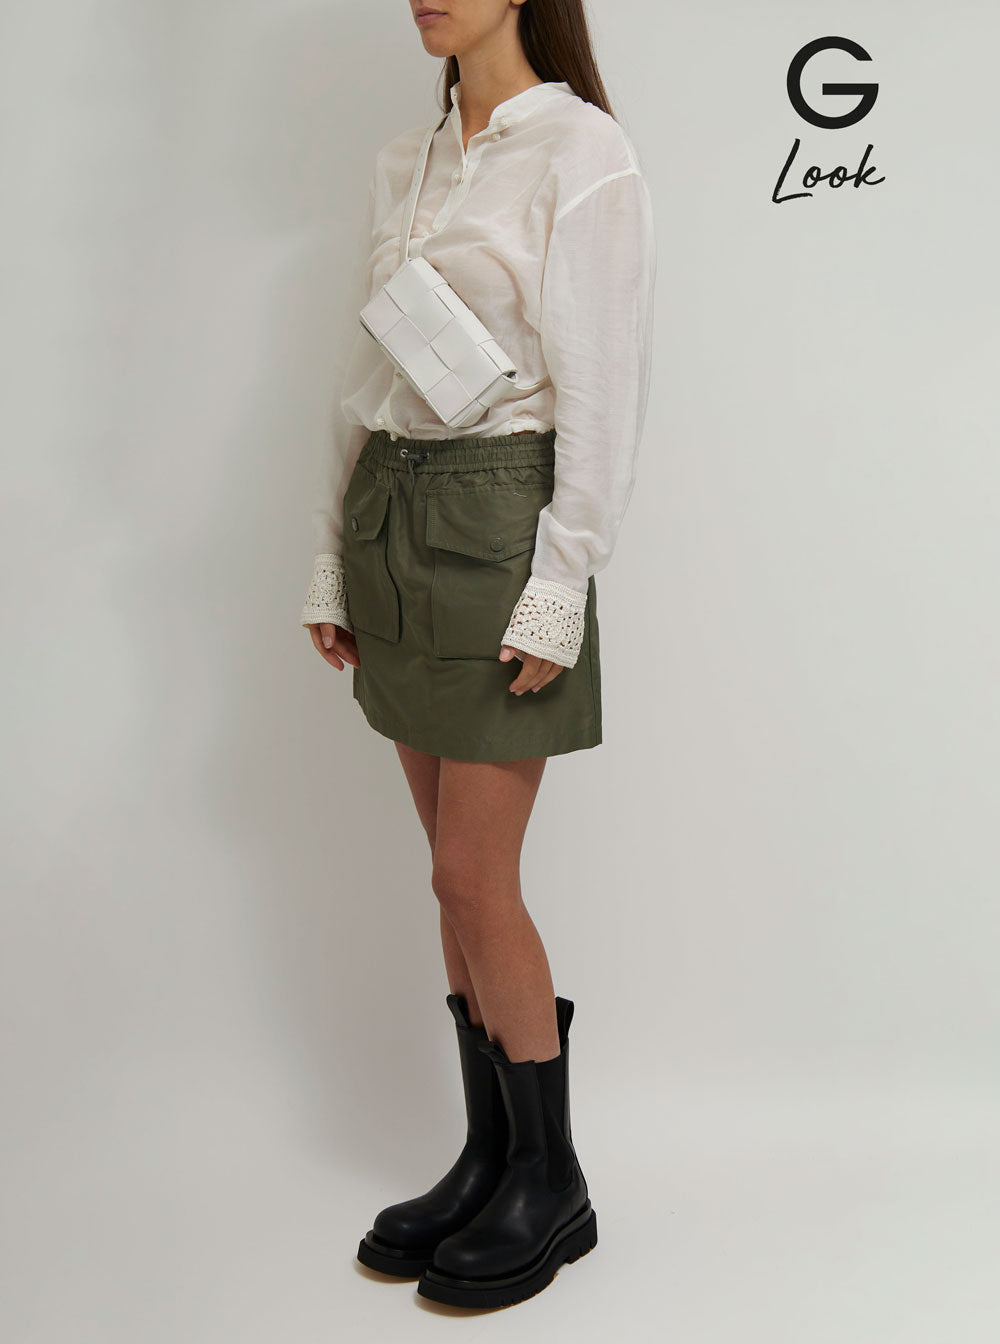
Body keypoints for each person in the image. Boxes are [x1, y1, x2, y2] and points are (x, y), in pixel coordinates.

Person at [299, 0, 656, 1309]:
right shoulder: (408, 160)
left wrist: (561, 582)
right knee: (448, 884)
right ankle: (490, 1156)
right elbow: (363, 368)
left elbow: (604, 393)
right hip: (392, 509)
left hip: (501, 522)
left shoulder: (582, 151)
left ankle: (551, 1182)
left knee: (472, 872)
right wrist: (331, 553)